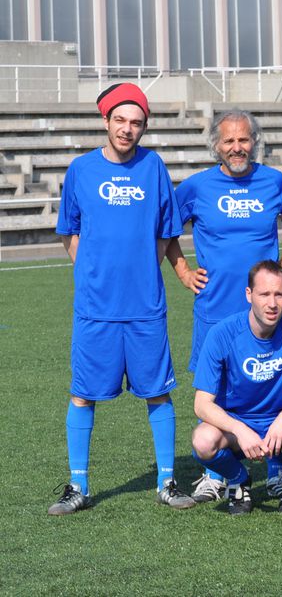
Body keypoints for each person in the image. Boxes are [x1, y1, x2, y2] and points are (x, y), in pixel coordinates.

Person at [50, 82, 195, 515]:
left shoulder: (154, 167)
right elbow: (68, 231)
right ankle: (78, 487)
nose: (127, 129)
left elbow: (167, 232)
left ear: (144, 127)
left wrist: (148, 272)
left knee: (158, 393)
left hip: (145, 306)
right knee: (82, 393)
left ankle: (167, 482)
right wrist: (93, 270)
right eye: (120, 120)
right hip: (95, 307)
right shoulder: (81, 169)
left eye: (136, 123)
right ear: (106, 121)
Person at [167, 110, 282, 503]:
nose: (237, 147)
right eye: (228, 141)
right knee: (214, 387)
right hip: (215, 307)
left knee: (275, 382)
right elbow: (167, 230)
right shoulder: (195, 187)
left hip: (265, 311)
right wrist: (183, 272)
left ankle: (276, 470)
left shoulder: (275, 182)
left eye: (243, 139)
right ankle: (217, 473)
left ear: (254, 141)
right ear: (216, 146)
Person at [191, 261, 282, 513]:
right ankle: (238, 480)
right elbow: (201, 405)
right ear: (249, 295)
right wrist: (238, 428)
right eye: (264, 294)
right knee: (203, 441)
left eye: (279, 294)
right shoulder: (221, 333)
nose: (272, 303)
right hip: (237, 424)